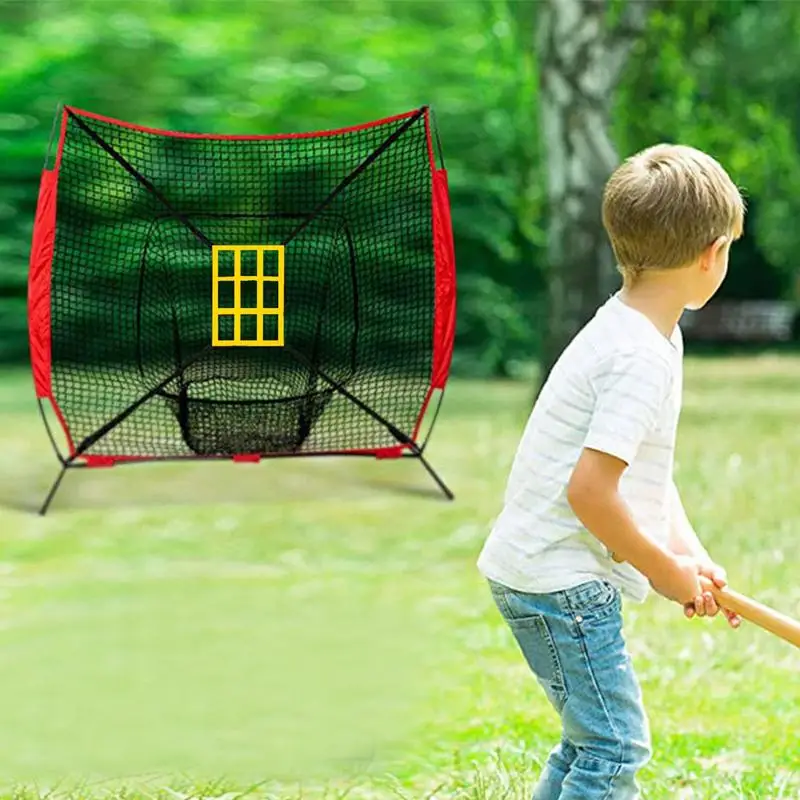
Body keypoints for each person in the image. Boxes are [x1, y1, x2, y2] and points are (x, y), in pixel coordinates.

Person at [477, 144, 745, 800]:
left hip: (540, 572)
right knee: (614, 745)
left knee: (589, 742)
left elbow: (644, 473)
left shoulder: (645, 330)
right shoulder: (638, 358)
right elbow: (591, 492)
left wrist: (690, 555)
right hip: (559, 584)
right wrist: (661, 569)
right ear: (711, 253)